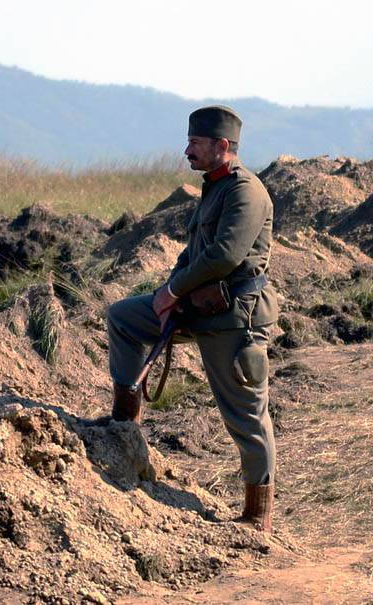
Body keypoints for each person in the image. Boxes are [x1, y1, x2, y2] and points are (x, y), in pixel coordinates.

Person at [106, 105, 279, 532]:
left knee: (246, 415)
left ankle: (258, 516)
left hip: (234, 318)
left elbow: (225, 255)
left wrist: (172, 291)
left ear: (223, 146)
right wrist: (171, 291)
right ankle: (123, 427)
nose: (187, 150)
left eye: (195, 143)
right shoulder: (214, 186)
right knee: (123, 318)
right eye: (188, 142)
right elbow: (195, 252)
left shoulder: (246, 191)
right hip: (195, 307)